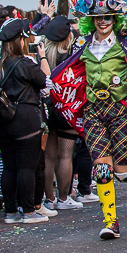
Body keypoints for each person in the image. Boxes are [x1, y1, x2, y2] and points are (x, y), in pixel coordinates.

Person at [49, 0, 127, 240]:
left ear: (115, 18)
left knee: (122, 173)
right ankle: (111, 222)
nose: (103, 22)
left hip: (123, 110)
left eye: (108, 17)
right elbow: (69, 73)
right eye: (98, 18)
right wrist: (53, 84)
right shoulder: (82, 45)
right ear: (91, 20)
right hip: (94, 111)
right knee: (102, 169)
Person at [0, 19, 52, 224]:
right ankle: (28, 211)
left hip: (2, 120)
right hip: (26, 120)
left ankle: (11, 212)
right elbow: (45, 81)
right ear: (19, 41)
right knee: (26, 166)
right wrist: (41, 58)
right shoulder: (25, 63)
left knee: (9, 166)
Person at [40, 16, 83, 211]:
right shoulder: (72, 57)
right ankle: (64, 197)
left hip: (48, 110)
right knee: (66, 155)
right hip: (68, 109)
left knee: (49, 156)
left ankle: (49, 198)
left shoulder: (43, 55)